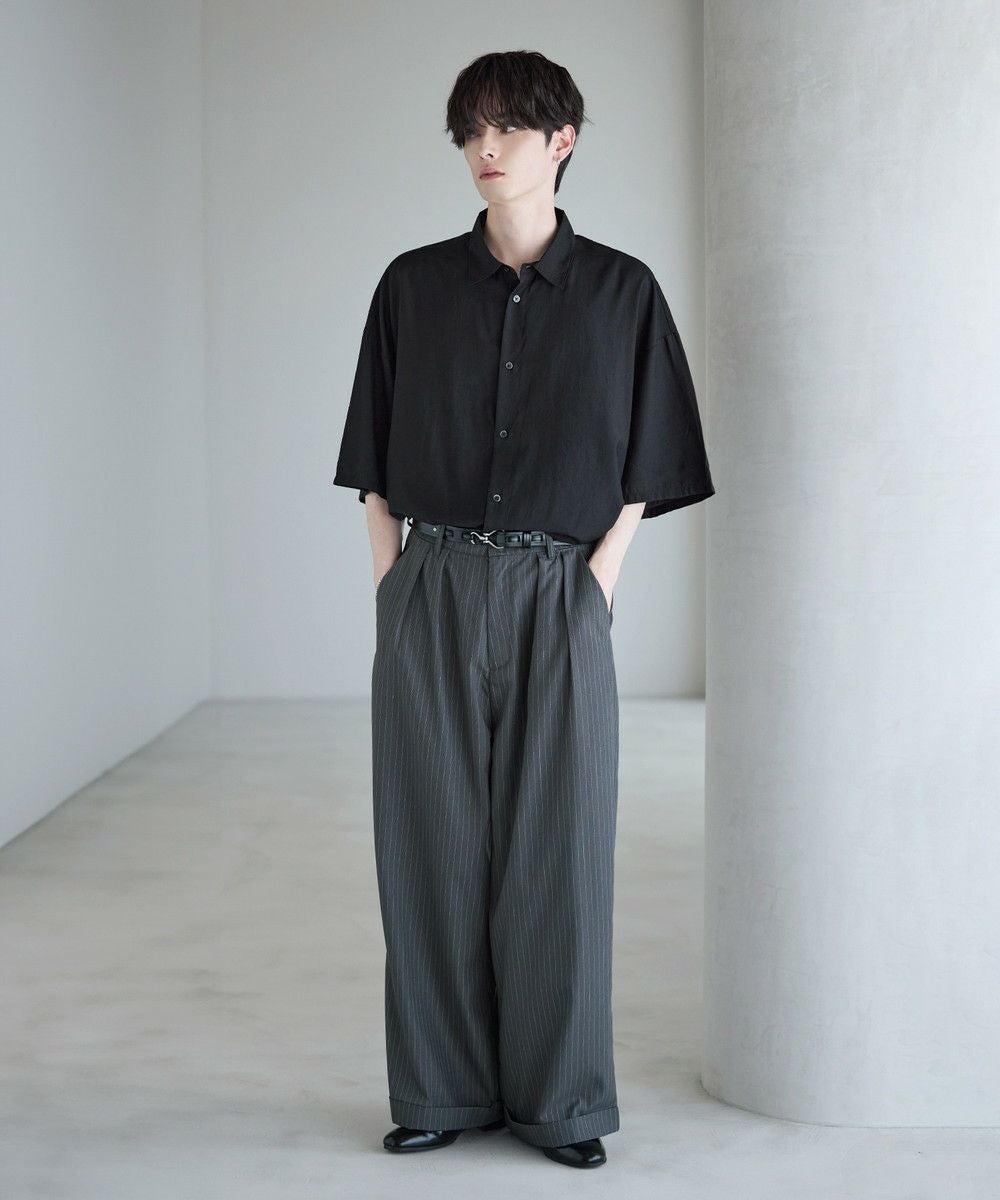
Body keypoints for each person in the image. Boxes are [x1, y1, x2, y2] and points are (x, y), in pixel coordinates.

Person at [333, 49, 714, 1169]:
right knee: (429, 848)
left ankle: (561, 1103)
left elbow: (652, 457)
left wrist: (598, 579)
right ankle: (440, 1090)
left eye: (507, 127)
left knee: (562, 853)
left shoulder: (622, 292)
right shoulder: (411, 287)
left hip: (561, 591)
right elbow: (372, 459)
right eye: (471, 129)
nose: (485, 148)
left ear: (563, 142)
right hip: (433, 586)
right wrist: (393, 586)